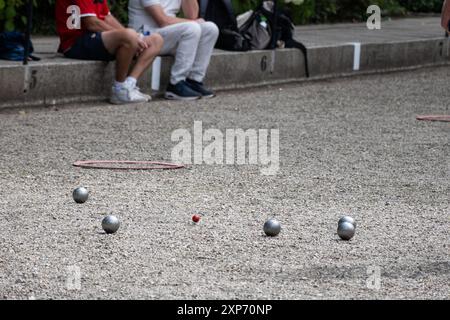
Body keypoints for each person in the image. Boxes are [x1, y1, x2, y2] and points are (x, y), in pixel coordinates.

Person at [55, 0, 164, 104]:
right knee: (129, 36)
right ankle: (118, 89)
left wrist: (135, 37)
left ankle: (129, 85)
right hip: (75, 42)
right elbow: (92, 23)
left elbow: (107, 17)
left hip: (96, 37)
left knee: (156, 40)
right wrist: (130, 36)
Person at [128, 0, 219, 100]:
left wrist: (193, 21)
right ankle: (176, 84)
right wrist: (193, 22)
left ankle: (193, 81)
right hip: (146, 36)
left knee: (210, 29)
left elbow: (192, 15)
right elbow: (162, 20)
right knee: (192, 28)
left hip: (168, 33)